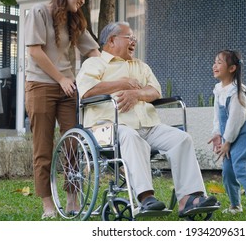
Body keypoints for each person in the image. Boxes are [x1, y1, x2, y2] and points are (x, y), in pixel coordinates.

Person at [76, 21, 217, 217]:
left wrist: (137, 95)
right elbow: (87, 92)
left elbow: (155, 90)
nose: (134, 41)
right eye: (129, 37)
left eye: (135, 38)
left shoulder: (140, 66)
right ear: (111, 40)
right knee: (132, 138)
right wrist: (121, 83)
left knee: (182, 139)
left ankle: (190, 198)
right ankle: (146, 198)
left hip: (148, 125)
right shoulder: (94, 63)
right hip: (108, 128)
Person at [24, 0, 100, 219]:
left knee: (73, 144)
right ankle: (48, 204)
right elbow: (35, 51)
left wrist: (113, 71)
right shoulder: (39, 12)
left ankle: (71, 198)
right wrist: (61, 78)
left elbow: (94, 51)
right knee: (43, 147)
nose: (83, 0)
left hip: (68, 89)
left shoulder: (74, 20)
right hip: (41, 86)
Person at [208, 49, 246, 216]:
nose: (215, 65)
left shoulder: (237, 93)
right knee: (227, 171)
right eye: (215, 62)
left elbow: (235, 120)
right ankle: (235, 205)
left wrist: (227, 142)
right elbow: (218, 116)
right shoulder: (219, 89)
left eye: (219, 62)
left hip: (244, 135)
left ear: (232, 68)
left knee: (242, 168)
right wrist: (217, 133)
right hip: (229, 136)